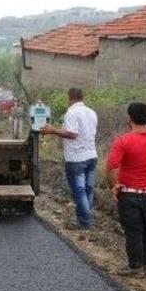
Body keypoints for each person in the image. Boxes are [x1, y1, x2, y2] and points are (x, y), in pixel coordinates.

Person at [105, 102, 146, 277]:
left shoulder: (123, 141)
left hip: (129, 193)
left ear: (129, 118)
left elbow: (110, 167)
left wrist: (113, 186)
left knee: (134, 230)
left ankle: (135, 266)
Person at [40, 88, 98, 229]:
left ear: (70, 97)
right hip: (92, 156)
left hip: (76, 158)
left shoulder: (72, 113)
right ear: (82, 97)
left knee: (79, 191)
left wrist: (52, 130)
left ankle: (85, 222)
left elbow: (72, 134)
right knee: (88, 190)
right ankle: (83, 219)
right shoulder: (92, 112)